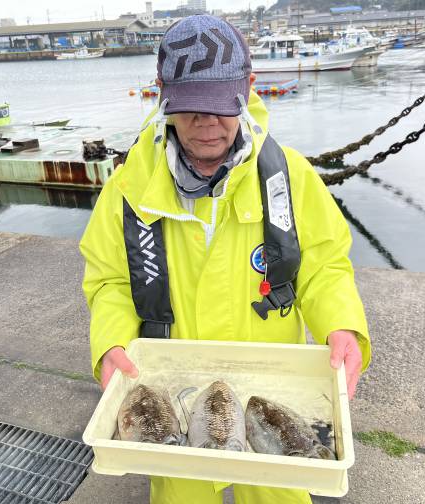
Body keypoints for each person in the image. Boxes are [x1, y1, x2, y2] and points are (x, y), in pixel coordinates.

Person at [80, 15, 371, 504]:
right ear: (162, 95)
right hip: (175, 387)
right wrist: (110, 343)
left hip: (269, 388)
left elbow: (324, 268)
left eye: (220, 106)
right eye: (191, 108)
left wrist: (341, 325)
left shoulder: (291, 178)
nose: (207, 124)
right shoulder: (128, 189)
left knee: (280, 492)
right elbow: (109, 281)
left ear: (248, 87)